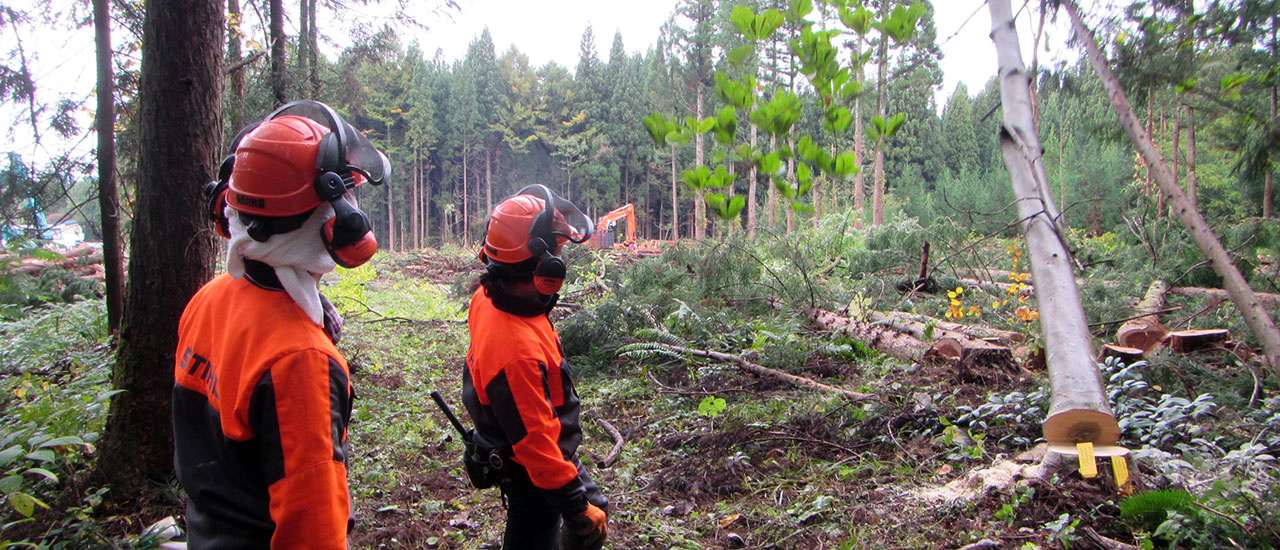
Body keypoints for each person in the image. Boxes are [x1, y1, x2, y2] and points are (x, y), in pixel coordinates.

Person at [172, 100, 390, 550]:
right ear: (330, 217)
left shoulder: (208, 300)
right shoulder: (302, 362)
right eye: (346, 195)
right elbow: (313, 535)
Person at [462, 184, 609, 550]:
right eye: (558, 250)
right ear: (543, 265)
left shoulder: (491, 296)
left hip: (538, 448)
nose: (562, 257)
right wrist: (574, 502)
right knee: (544, 529)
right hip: (531, 465)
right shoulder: (515, 350)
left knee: (589, 513)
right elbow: (534, 441)